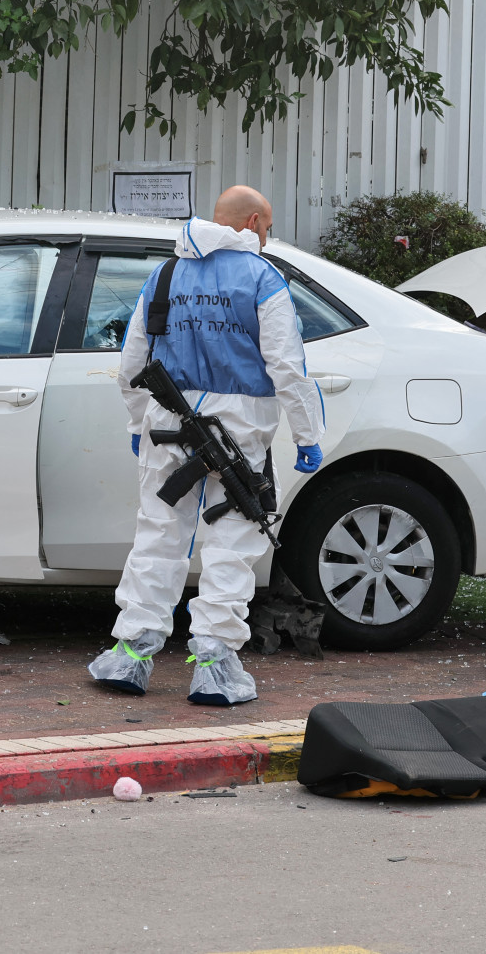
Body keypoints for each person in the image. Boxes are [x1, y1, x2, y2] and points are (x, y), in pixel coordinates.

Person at [87, 186, 326, 706]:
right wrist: (308, 436)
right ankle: (214, 666)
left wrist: (137, 424)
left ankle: (131, 656)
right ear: (256, 221)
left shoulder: (166, 275)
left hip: (169, 423)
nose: (268, 235)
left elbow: (132, 364)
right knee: (233, 543)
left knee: (158, 536)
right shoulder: (263, 279)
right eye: (269, 226)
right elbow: (288, 368)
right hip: (240, 431)